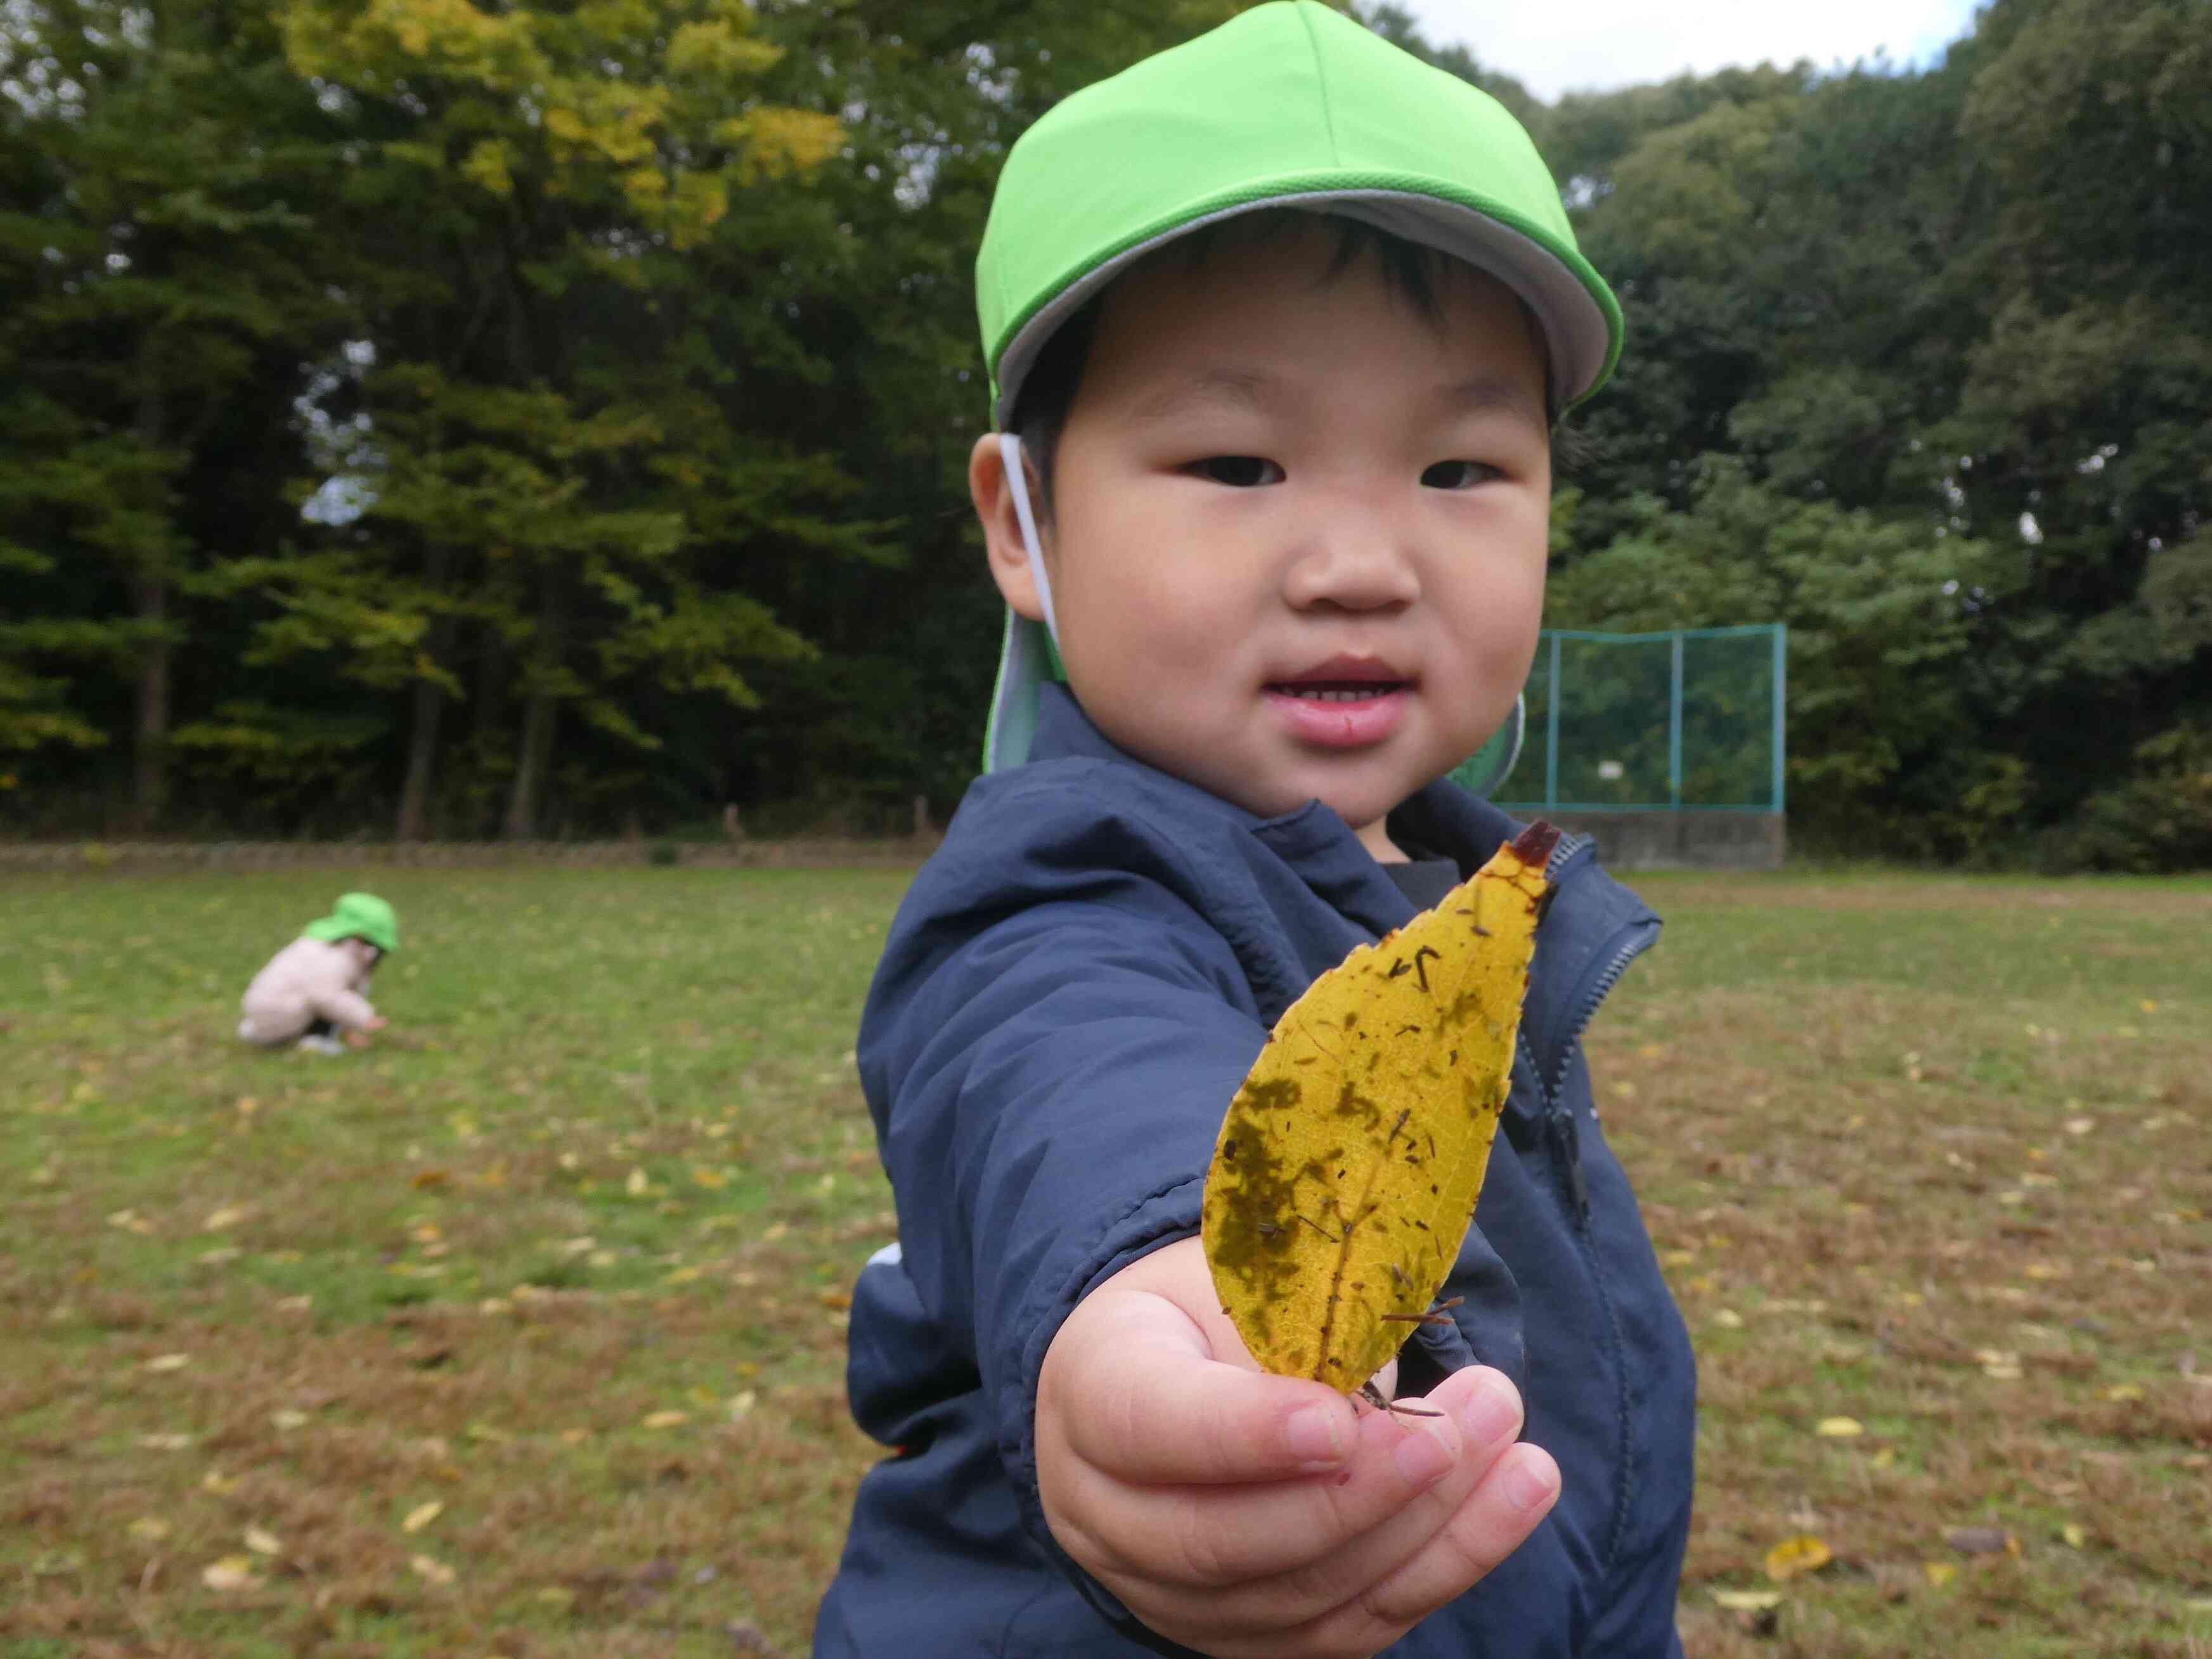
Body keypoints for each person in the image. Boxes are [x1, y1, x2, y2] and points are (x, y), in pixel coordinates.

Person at [816, 7, 1695, 1655]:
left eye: (1458, 465)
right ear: (1023, 520)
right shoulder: (1065, 891)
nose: (1362, 560)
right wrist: (1160, 1302)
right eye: (1237, 459)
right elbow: (1075, 1079)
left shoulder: (1457, 892)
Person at [236, 891, 398, 1055]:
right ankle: (315, 1040)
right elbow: (326, 996)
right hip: (283, 1012)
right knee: (332, 1000)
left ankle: (260, 1031)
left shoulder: (314, 945)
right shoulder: (338, 959)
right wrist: (363, 1016)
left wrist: (351, 1030)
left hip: (261, 1007)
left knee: (330, 999)